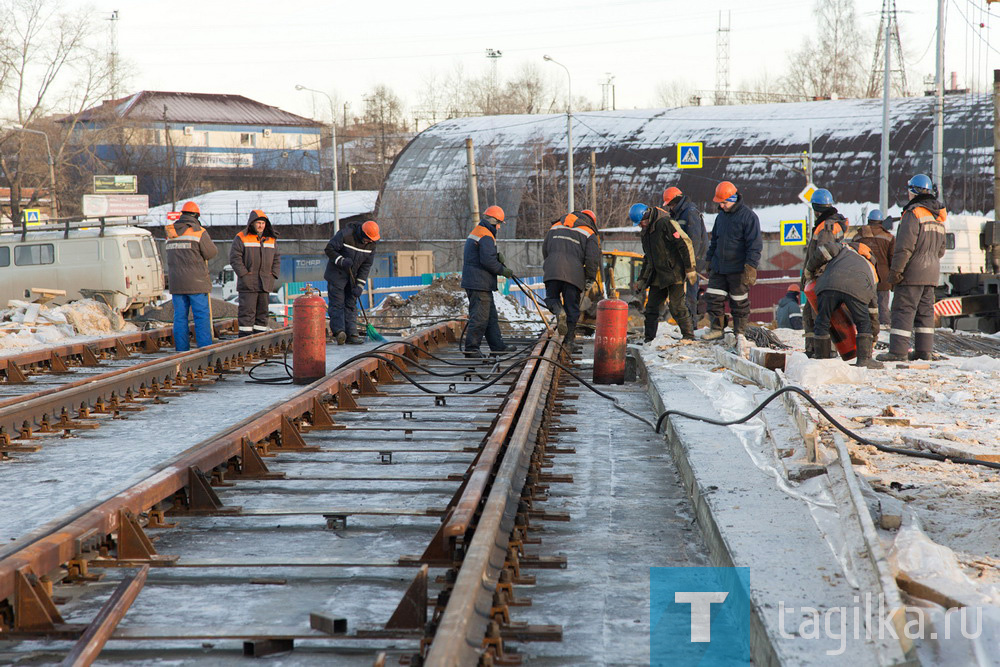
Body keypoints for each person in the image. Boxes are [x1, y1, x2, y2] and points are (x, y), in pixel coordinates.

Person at [878, 174, 947, 362]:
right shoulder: (937, 217)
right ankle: (924, 352)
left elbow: (904, 247)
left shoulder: (913, 213)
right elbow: (941, 249)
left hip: (912, 272)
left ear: (913, 191)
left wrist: (896, 272)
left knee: (903, 310)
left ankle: (898, 352)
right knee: (925, 313)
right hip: (932, 273)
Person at [806, 239, 883, 369]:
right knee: (863, 322)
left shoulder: (843, 249)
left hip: (829, 284)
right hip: (857, 289)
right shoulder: (871, 270)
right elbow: (872, 309)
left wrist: (809, 270)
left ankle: (822, 360)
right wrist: (873, 337)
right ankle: (865, 359)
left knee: (822, 320)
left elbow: (823, 250)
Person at [703, 181, 762, 341]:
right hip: (719, 267)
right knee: (714, 298)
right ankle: (716, 329)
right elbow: (714, 241)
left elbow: (754, 245)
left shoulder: (749, 217)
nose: (721, 206)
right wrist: (709, 260)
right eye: (720, 203)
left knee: (739, 302)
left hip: (738, 269)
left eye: (724, 202)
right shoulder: (720, 217)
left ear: (734, 198)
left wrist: (751, 267)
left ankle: (739, 332)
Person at [630, 202, 697, 343]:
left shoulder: (666, 223)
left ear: (646, 216)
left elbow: (684, 244)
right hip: (658, 275)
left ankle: (689, 336)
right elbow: (648, 258)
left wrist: (690, 269)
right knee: (651, 309)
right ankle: (649, 340)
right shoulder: (646, 233)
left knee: (676, 306)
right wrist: (642, 279)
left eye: (641, 222)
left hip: (674, 272)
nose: (641, 225)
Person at [542, 209, 600, 348]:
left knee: (552, 298)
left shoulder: (555, 226)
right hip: (574, 275)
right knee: (572, 308)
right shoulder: (589, 232)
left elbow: (545, 249)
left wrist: (551, 265)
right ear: (591, 221)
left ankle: (558, 310)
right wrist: (590, 278)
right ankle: (568, 341)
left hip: (552, 269)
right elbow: (592, 259)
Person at [801, 188, 848, 357]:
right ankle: (814, 349)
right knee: (812, 313)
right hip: (827, 278)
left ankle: (824, 351)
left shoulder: (826, 227)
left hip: (822, 279)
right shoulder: (830, 224)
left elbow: (823, 254)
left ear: (815, 208)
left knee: (818, 315)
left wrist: (809, 273)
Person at [165, 201, 218, 351]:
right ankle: (204, 349)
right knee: (201, 316)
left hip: (176, 283)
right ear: (196, 215)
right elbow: (211, 252)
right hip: (197, 282)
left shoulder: (171, 232)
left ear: (182, 214)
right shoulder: (198, 231)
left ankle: (182, 350)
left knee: (180, 317)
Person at [461, 205, 513, 358]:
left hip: (478, 282)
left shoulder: (479, 231)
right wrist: (502, 270)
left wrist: (495, 258)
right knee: (480, 318)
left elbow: (483, 257)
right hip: (479, 283)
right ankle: (471, 349)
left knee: (490, 317)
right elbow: (487, 261)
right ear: (494, 221)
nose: (499, 227)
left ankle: (497, 347)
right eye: (499, 224)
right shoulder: (486, 235)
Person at [324, 219, 380, 345]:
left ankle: (352, 334)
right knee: (337, 304)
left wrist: (359, 286)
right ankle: (339, 332)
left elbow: (366, 267)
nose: (369, 241)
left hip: (352, 277)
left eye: (372, 240)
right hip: (336, 274)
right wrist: (341, 260)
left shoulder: (371, 245)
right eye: (368, 239)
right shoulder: (346, 234)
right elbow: (329, 249)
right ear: (363, 233)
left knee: (351, 304)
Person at [229, 210, 280, 337]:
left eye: (263, 223)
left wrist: (273, 275)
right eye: (258, 223)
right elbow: (235, 258)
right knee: (247, 313)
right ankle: (245, 342)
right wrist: (245, 275)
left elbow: (277, 258)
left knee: (262, 314)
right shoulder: (241, 237)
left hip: (265, 283)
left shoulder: (271, 239)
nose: (261, 225)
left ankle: (259, 341)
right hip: (248, 285)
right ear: (252, 223)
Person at [663, 186, 708, 322]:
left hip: (694, 260)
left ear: (675, 201)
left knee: (690, 293)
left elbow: (694, 240)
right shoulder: (679, 213)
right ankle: (686, 324)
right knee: (683, 293)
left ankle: (691, 325)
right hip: (685, 259)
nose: (669, 208)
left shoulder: (690, 212)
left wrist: (690, 264)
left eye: (670, 204)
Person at [855, 209, 896, 327]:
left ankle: (866, 328)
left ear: (869, 220)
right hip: (883, 277)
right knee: (882, 305)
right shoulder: (889, 237)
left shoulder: (858, 237)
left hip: (864, 277)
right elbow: (893, 258)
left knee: (865, 304)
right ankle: (884, 327)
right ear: (881, 222)